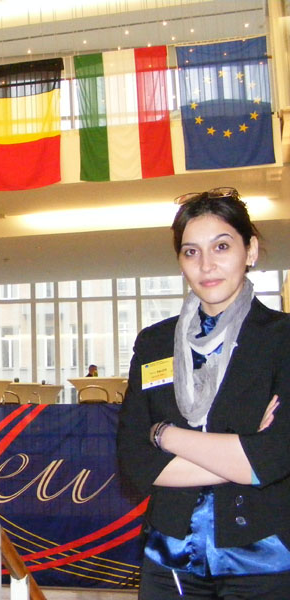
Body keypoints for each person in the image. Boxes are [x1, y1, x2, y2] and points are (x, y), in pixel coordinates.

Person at [117, 187, 290, 598]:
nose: (206, 265)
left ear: (250, 251)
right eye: (191, 252)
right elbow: (134, 462)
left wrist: (164, 435)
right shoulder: (155, 344)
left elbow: (274, 456)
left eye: (222, 246)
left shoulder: (281, 339)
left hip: (263, 555)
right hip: (170, 558)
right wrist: (242, 455)